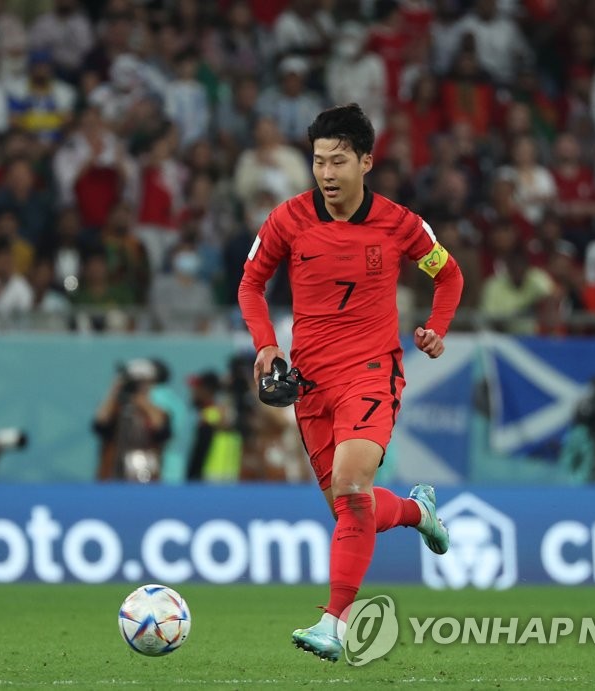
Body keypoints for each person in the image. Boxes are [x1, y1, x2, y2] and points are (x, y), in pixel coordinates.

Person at [237, 104, 464, 661]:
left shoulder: (400, 223)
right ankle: (417, 512)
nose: (327, 173)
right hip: (308, 384)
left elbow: (449, 274)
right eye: (318, 161)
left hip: (370, 372)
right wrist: (266, 343)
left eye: (338, 161)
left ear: (366, 161)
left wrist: (436, 328)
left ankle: (334, 624)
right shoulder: (287, 219)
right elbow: (250, 285)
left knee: (353, 488)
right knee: (350, 509)